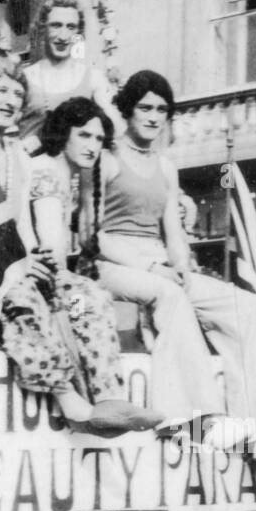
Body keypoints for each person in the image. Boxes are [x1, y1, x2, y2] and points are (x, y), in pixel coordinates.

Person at [97, 70, 256, 465]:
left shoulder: (165, 167)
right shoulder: (107, 158)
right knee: (170, 297)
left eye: (161, 110)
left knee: (245, 307)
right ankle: (193, 421)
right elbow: (96, 235)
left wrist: (179, 265)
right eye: (145, 107)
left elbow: (171, 229)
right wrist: (153, 266)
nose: (153, 117)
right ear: (128, 109)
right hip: (114, 262)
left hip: (160, 260)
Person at [0, 55, 166, 437]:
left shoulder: (17, 157)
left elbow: (29, 235)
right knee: (27, 297)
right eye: (1, 90)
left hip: (16, 262)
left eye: (18, 94)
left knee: (88, 297)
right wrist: (22, 262)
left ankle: (108, 396)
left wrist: (35, 261)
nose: (10, 100)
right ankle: (72, 403)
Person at [29, 96, 184, 429]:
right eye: (83, 135)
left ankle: (109, 401)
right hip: (28, 275)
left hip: (49, 275)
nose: (92, 146)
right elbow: (51, 245)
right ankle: (102, 401)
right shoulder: (46, 170)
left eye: (99, 139)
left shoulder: (65, 174)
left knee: (90, 298)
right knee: (88, 299)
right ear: (63, 133)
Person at [19, 0, 115, 154]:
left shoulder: (93, 79)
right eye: (56, 25)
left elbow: (113, 131)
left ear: (79, 32)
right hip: (31, 171)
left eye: (71, 27)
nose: (63, 36)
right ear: (43, 28)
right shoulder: (24, 78)